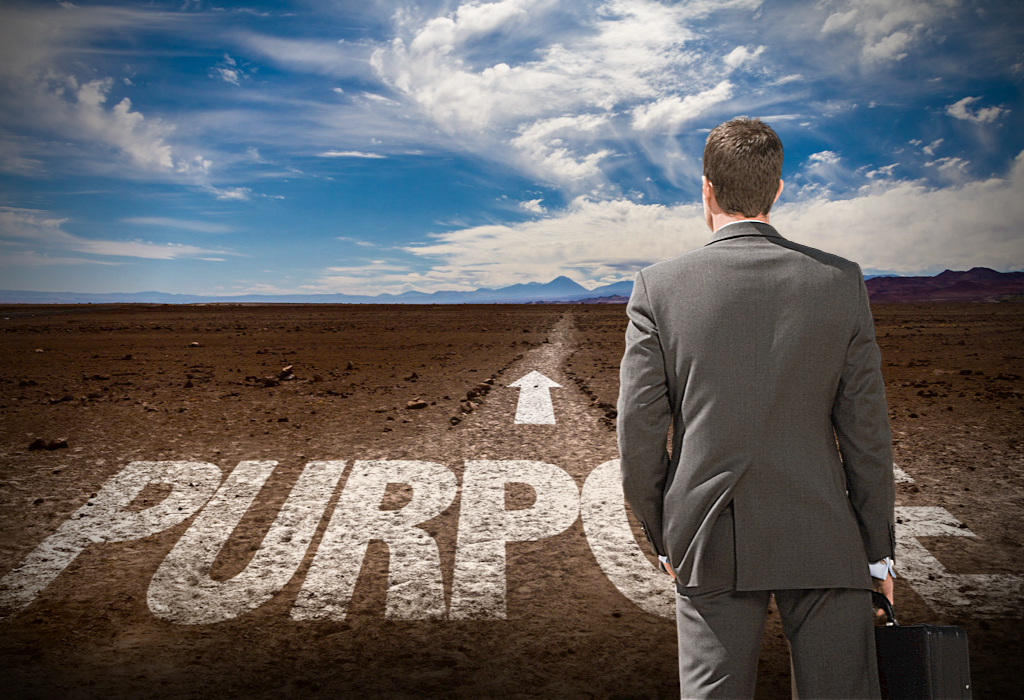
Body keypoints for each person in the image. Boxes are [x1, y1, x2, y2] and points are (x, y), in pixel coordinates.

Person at [617, 117, 896, 699]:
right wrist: (876, 555)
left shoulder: (658, 289)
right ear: (778, 189)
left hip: (709, 536)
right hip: (824, 537)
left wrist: (668, 536)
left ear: (706, 190)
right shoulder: (841, 282)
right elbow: (866, 433)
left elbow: (639, 437)